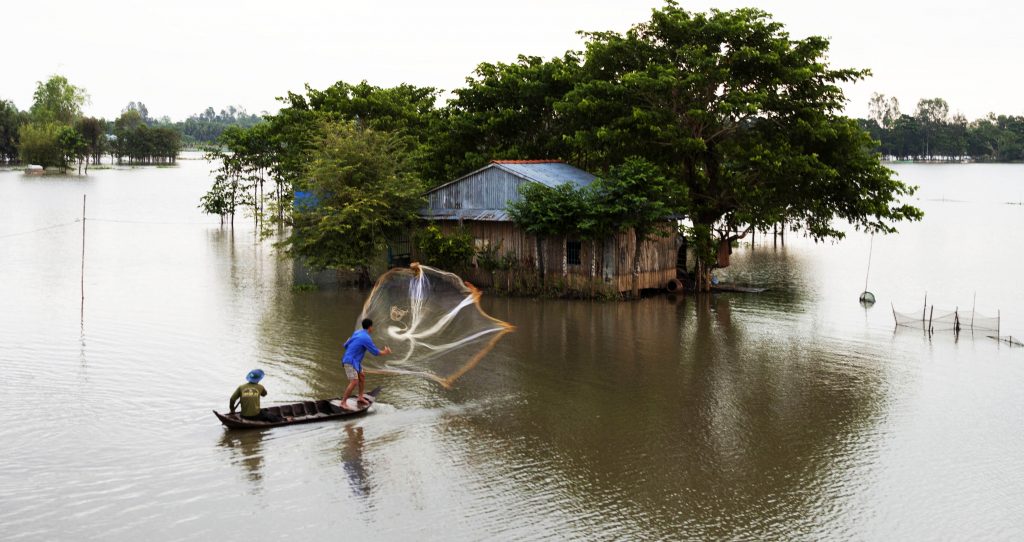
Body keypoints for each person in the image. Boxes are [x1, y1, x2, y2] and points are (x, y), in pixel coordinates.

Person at [341, 318, 391, 410]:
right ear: (370, 327)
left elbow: (346, 344)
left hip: (355, 361)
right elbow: (375, 352)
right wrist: (385, 352)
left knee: (362, 376)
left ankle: (360, 397)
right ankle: (343, 402)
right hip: (350, 361)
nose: (373, 328)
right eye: (372, 327)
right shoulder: (366, 338)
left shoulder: (357, 332)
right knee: (354, 382)